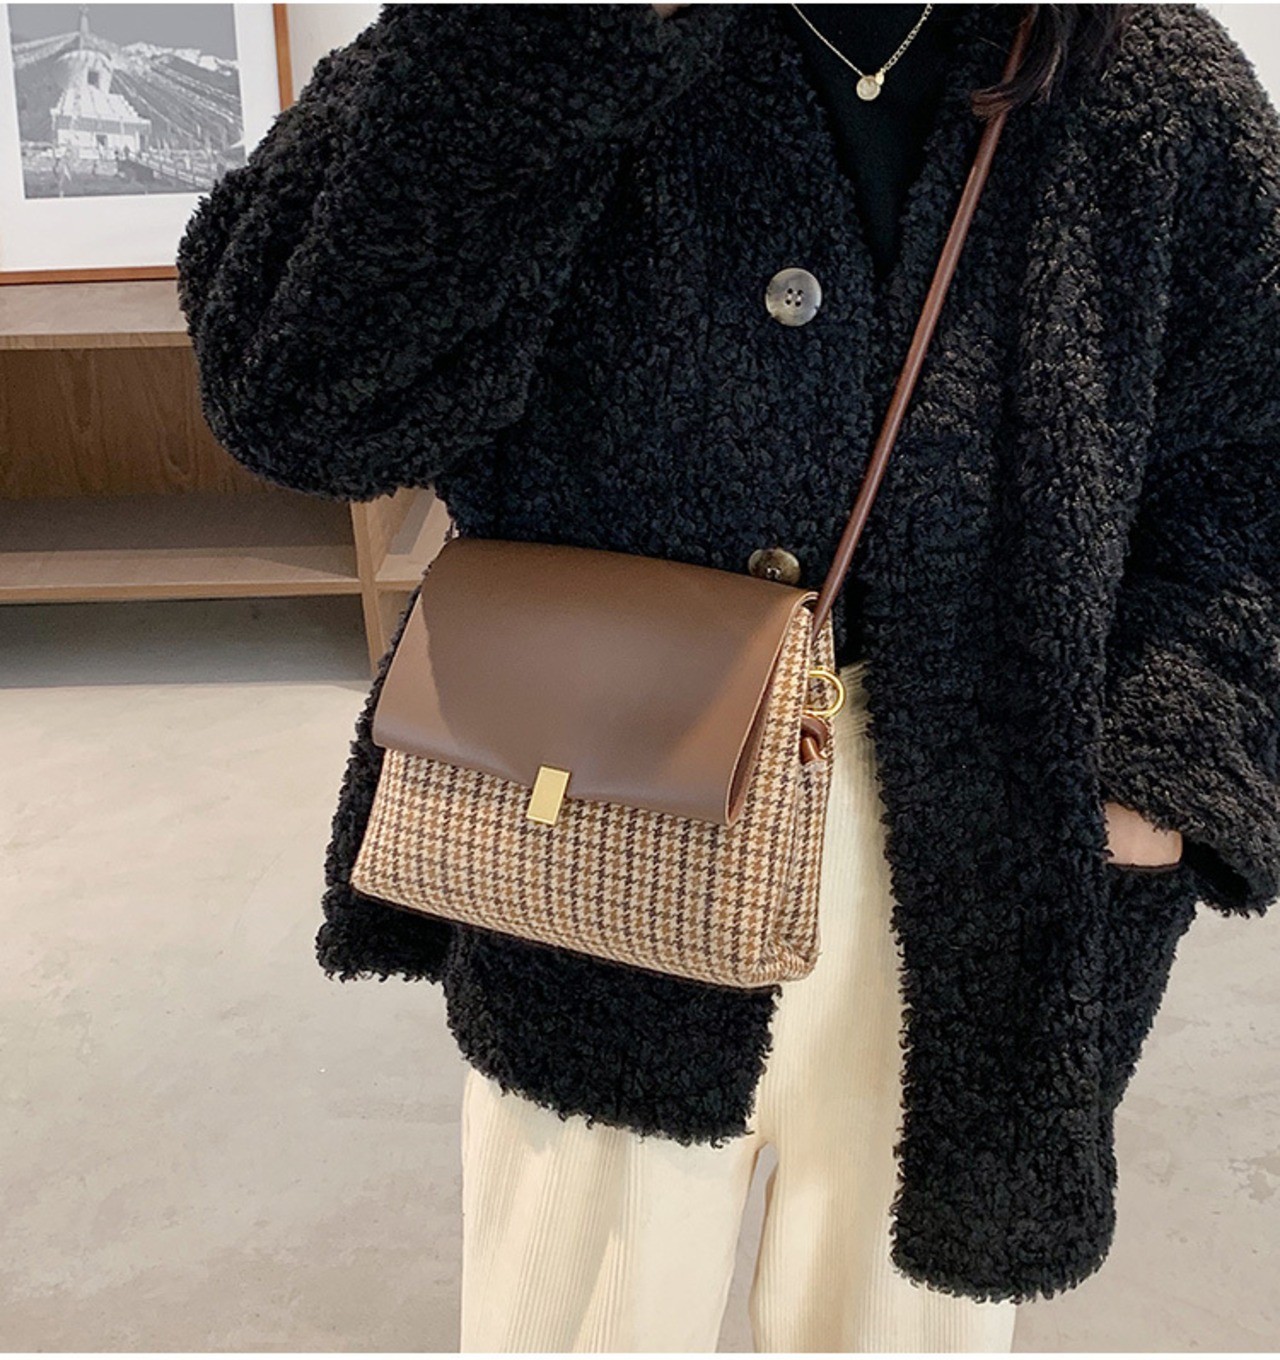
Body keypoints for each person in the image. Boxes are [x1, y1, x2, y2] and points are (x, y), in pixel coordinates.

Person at [174, 3, 1280, 1351]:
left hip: (981, 859)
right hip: (593, 822)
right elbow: (292, 393)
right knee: (578, 1321)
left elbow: (1247, 470)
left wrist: (1158, 784)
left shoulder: (1142, 79)